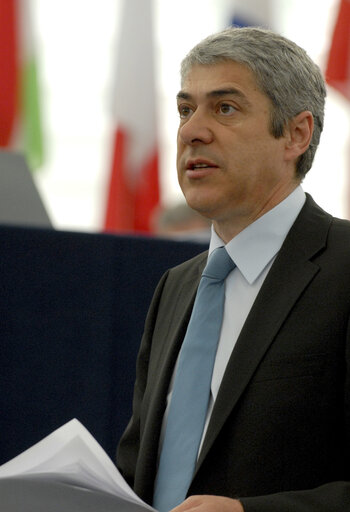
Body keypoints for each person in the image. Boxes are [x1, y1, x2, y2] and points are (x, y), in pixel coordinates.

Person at [117, 27, 350, 512]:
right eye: (185, 109)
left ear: (296, 134)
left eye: (224, 108)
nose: (190, 131)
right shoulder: (176, 286)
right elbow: (140, 471)